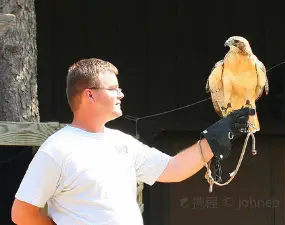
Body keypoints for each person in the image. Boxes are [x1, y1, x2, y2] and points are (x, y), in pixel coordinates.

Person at [11, 58, 254, 225]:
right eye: (114, 88)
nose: (121, 94)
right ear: (90, 95)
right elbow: (22, 213)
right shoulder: (57, 149)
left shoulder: (122, 143)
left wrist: (217, 136)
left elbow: (174, 169)